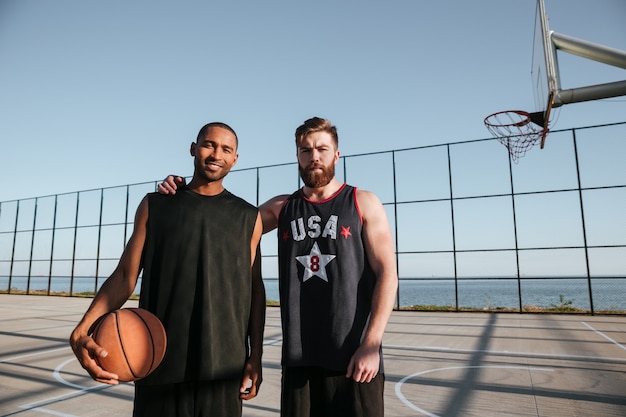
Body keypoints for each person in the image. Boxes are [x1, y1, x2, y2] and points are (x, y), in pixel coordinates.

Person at [159, 117, 398, 417]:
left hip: (354, 358)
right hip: (299, 361)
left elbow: (388, 275)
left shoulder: (362, 202)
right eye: (305, 150)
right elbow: (225, 220)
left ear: (337, 154)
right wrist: (182, 190)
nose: (314, 157)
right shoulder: (281, 208)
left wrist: (371, 343)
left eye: (322, 149)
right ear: (297, 156)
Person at [70, 122, 265, 417]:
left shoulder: (249, 216)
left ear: (235, 159)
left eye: (226, 149)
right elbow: (125, 276)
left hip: (224, 367)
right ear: (193, 149)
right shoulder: (156, 205)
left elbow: (255, 290)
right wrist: (83, 328)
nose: (216, 154)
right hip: (159, 360)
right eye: (209, 144)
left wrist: (256, 355)